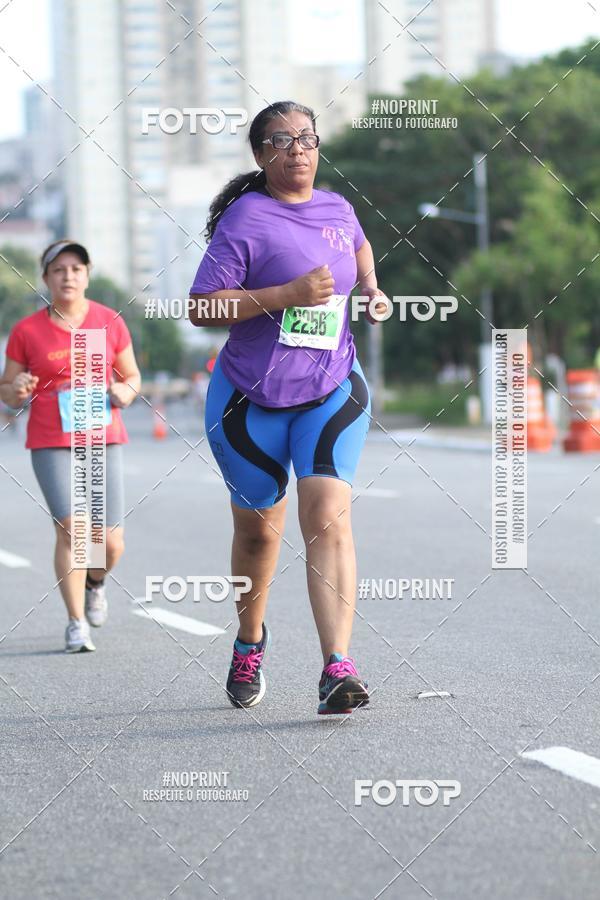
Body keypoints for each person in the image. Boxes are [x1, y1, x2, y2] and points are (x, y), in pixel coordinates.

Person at [189, 101, 388, 715]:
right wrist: (286, 294)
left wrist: (371, 289)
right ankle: (250, 641)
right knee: (257, 533)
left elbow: (360, 247)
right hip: (249, 401)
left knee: (328, 516)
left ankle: (337, 667)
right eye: (282, 140)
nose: (298, 149)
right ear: (260, 154)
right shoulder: (246, 219)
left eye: (307, 137)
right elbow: (202, 307)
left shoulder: (338, 209)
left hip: (331, 386)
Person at [0, 240, 141, 652]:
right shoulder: (27, 331)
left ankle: (95, 582)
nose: (68, 276)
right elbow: (7, 389)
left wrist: (125, 391)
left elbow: (132, 377)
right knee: (73, 530)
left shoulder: (108, 321)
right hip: (50, 437)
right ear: (46, 278)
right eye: (59, 269)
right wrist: (16, 388)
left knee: (109, 542)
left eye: (76, 269)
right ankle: (76, 622)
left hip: (102, 436)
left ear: (87, 275)